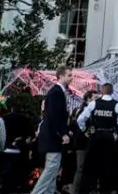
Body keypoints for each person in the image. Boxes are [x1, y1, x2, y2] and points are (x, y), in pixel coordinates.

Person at [76, 83, 118, 194]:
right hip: (109, 138)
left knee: (89, 167)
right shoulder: (117, 105)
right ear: (112, 92)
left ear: (102, 92)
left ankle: (85, 190)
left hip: (95, 137)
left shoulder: (94, 103)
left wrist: (85, 131)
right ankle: (105, 191)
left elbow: (80, 119)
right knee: (107, 167)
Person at [31, 66, 72, 194]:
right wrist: (62, 133)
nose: (71, 78)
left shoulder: (56, 92)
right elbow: (55, 116)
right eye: (69, 75)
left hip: (51, 136)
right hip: (52, 137)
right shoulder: (56, 92)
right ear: (61, 76)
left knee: (53, 170)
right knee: (51, 168)